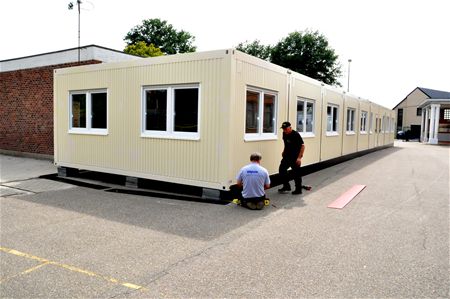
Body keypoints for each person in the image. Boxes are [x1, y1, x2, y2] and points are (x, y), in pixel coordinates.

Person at [278, 121, 305, 195]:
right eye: (283, 129)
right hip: (287, 156)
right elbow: (286, 143)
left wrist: (299, 158)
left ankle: (298, 189)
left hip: (295, 157)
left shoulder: (296, 134)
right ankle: (286, 186)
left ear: (290, 127)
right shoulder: (284, 133)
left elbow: (303, 146)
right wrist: (284, 151)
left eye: (286, 129)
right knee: (281, 170)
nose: (284, 130)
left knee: (296, 173)